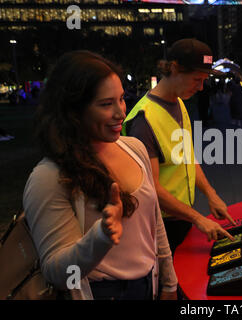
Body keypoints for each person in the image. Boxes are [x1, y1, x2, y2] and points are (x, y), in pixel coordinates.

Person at [23, 50, 177, 300]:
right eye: (106, 104)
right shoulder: (49, 177)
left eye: (121, 99)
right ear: (73, 111)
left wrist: (169, 282)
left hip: (148, 284)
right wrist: (100, 237)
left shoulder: (134, 148)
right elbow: (56, 272)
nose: (121, 113)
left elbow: (155, 224)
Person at [122, 38, 236, 254]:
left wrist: (210, 194)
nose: (201, 87)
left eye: (204, 80)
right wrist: (198, 218)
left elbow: (187, 157)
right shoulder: (144, 120)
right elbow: (151, 188)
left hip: (182, 215)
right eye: (196, 79)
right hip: (159, 225)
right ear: (174, 69)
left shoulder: (179, 102)